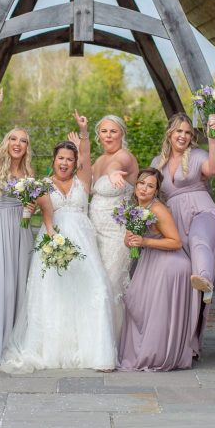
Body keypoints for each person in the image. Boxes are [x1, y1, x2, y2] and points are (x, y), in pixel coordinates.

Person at [0, 127, 116, 374]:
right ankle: (53, 350)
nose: (64, 162)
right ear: (53, 160)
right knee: (54, 295)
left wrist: (84, 132)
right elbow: (44, 216)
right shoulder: (41, 185)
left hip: (83, 243)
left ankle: (96, 352)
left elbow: (86, 152)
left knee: (97, 290)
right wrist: (51, 235)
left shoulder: (83, 181)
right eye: (60, 158)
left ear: (75, 164)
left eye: (69, 159)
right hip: (53, 241)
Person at [150, 111, 215, 356]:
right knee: (182, 281)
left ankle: (207, 282)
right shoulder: (156, 163)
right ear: (170, 133)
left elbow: (213, 169)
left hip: (201, 210)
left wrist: (212, 137)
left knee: (200, 240)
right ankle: (186, 344)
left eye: (188, 133)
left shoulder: (198, 155)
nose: (183, 136)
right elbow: (149, 192)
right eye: (179, 131)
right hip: (173, 220)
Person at [0, 84, 36, 367]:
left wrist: (31, 207)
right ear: (6, 143)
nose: (17, 143)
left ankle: (16, 341)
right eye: (13, 138)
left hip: (22, 231)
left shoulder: (29, 173)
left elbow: (37, 201)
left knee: (20, 285)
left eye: (22, 140)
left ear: (27, 147)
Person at [117, 168, 193, 372]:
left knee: (154, 311)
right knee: (136, 301)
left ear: (156, 190)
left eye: (150, 186)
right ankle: (143, 351)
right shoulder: (133, 208)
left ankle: (156, 355)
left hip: (170, 263)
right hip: (151, 259)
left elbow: (176, 242)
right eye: (141, 183)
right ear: (135, 185)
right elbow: (130, 240)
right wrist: (131, 240)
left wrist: (145, 241)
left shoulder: (158, 209)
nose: (144, 188)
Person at [87, 114, 139, 340]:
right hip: (95, 232)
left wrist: (112, 173)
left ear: (122, 134)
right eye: (104, 131)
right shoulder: (98, 160)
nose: (108, 135)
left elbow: (118, 167)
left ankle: (116, 341)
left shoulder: (124, 156)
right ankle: (97, 340)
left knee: (111, 283)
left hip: (116, 234)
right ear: (98, 135)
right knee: (96, 283)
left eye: (113, 131)